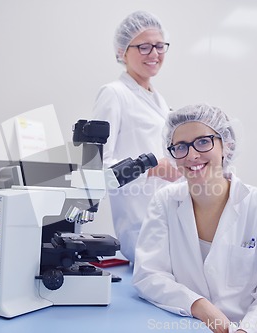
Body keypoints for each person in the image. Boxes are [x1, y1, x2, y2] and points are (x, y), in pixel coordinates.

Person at [132, 104, 257, 332]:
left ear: (226, 146)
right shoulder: (164, 202)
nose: (192, 155)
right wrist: (199, 306)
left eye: (203, 142)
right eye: (180, 147)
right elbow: (149, 274)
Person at [92, 10, 180, 262]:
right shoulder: (114, 94)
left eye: (159, 46)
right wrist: (151, 169)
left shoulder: (159, 101)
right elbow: (97, 171)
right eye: (143, 47)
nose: (154, 54)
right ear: (122, 52)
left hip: (167, 219)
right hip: (139, 227)